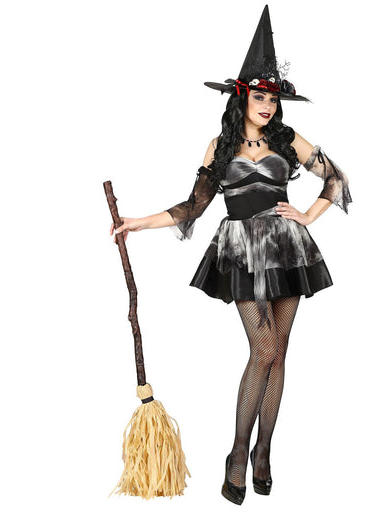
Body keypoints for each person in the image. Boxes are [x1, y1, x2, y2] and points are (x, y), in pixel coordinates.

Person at [110, 5, 351, 506]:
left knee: (279, 352)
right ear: (242, 97)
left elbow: (336, 178)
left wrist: (307, 216)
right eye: (260, 96)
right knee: (263, 349)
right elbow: (192, 206)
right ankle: (238, 453)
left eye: (273, 98)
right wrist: (136, 222)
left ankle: (265, 451)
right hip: (242, 251)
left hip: (287, 248)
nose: (268, 105)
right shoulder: (220, 146)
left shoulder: (288, 140)